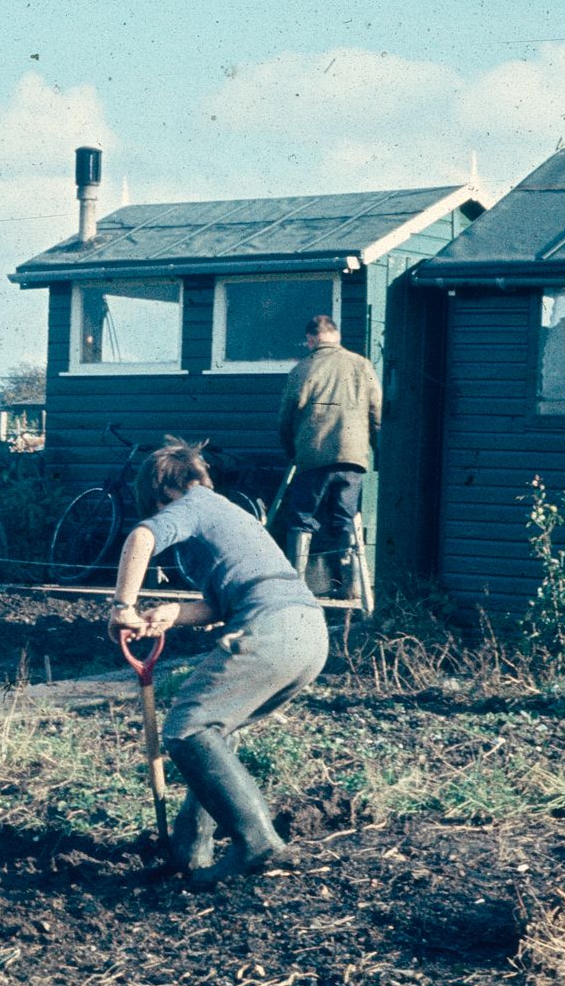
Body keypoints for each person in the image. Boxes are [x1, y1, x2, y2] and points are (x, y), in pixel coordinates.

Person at [107, 439, 329, 883]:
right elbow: (224, 601)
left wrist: (122, 607)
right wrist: (171, 614)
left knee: (187, 727)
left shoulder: (191, 503)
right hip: (308, 633)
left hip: (272, 628)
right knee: (213, 733)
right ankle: (191, 849)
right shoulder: (228, 513)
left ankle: (259, 844)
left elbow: (142, 537)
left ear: (162, 491)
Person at [272, 313, 381, 597]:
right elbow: (377, 414)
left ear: (310, 339)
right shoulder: (362, 365)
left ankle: (296, 588)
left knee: (302, 518)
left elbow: (285, 418)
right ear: (337, 337)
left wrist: (293, 452)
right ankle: (353, 588)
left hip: (313, 456)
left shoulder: (303, 368)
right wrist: (378, 452)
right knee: (346, 519)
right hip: (353, 457)